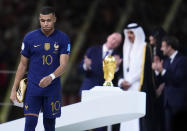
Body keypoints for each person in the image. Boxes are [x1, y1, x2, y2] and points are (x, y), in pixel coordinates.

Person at [10, 6, 71, 131]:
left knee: (49, 125)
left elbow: (64, 65)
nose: (45, 23)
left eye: (48, 20)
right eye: (42, 20)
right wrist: (14, 89)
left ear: (54, 19)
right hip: (33, 87)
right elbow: (22, 65)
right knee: (30, 122)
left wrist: (51, 77)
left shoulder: (63, 38)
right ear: (39, 20)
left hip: (52, 88)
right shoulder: (29, 38)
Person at [79, 32, 122, 131]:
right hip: (88, 91)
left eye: (118, 41)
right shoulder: (92, 50)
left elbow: (115, 77)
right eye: (113, 38)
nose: (114, 41)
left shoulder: (118, 55)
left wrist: (116, 67)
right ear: (108, 37)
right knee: (85, 122)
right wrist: (86, 66)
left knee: (100, 124)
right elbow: (80, 69)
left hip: (105, 94)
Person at [118, 23, 156, 131]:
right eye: (128, 33)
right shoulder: (126, 48)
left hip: (140, 87)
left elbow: (146, 69)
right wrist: (121, 81)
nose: (129, 35)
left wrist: (130, 81)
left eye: (132, 33)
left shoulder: (145, 47)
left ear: (137, 33)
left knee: (138, 121)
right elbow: (122, 70)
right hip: (126, 89)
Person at [152, 36, 187, 131]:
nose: (161, 49)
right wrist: (157, 71)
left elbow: (177, 79)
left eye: (163, 46)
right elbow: (162, 80)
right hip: (167, 102)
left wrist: (161, 70)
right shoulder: (166, 61)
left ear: (169, 47)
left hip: (179, 104)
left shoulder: (183, 60)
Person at [149, 26, 166, 131]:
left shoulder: (162, 50)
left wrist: (160, 88)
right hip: (153, 86)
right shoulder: (151, 49)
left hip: (162, 87)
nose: (150, 37)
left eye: (152, 35)